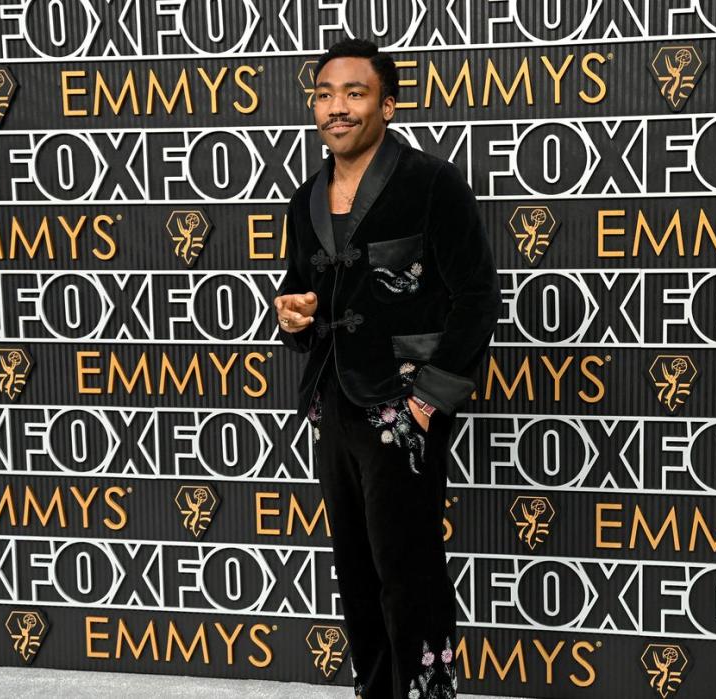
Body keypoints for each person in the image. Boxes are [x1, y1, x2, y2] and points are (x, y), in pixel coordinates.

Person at [271, 38, 502, 699]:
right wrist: (292, 316)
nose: (335, 108)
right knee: (357, 568)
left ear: (388, 105)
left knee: (410, 569)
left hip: (403, 410)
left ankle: (427, 694)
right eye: (323, 94)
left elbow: (478, 296)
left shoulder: (432, 182)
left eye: (354, 93)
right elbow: (301, 292)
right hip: (333, 404)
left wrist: (428, 401)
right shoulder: (306, 197)